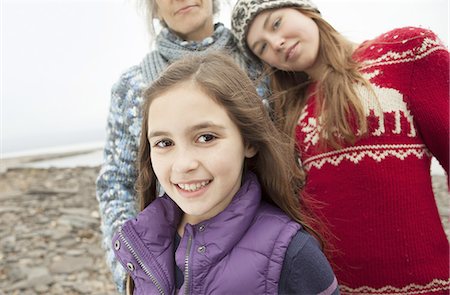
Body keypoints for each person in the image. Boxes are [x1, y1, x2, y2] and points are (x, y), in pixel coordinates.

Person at [231, 0, 450, 294]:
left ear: (305, 10)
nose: (276, 43)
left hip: (429, 284)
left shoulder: (406, 52)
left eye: (276, 23)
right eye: (262, 48)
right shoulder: (289, 114)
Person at [111, 52, 339, 294]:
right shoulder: (140, 242)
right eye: (165, 143)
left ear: (248, 141)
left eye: (206, 137)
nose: (183, 164)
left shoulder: (292, 254)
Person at [95, 1, 258, 292]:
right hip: (171, 264)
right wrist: (133, 271)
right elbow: (115, 182)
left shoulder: (260, 66)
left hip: (259, 254)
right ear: (154, 9)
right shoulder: (132, 86)